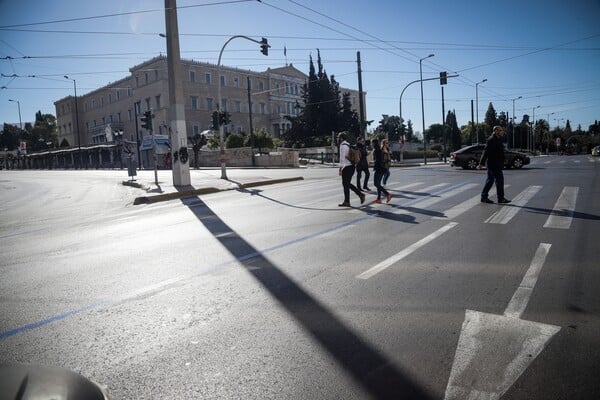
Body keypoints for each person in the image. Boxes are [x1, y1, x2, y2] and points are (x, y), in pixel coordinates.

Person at [478, 125, 511, 204]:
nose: (502, 132)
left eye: (502, 130)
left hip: (497, 163)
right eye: (500, 130)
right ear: (496, 131)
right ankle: (500, 198)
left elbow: (500, 151)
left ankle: (484, 196)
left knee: (490, 181)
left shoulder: (498, 139)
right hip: (493, 164)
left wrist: (504, 159)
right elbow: (486, 152)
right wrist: (481, 163)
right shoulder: (491, 140)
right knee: (499, 180)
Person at [338, 132, 366, 207]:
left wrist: (340, 168)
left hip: (346, 167)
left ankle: (359, 195)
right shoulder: (348, 144)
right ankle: (347, 201)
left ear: (341, 138)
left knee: (346, 184)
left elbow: (342, 158)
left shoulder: (342, 145)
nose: (338, 139)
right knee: (346, 184)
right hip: (352, 166)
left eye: (338, 138)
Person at [371, 138, 392, 204]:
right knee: (378, 184)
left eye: (372, 143)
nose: (371, 144)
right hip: (383, 168)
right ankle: (379, 198)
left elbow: (377, 160)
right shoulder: (379, 150)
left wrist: (373, 163)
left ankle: (387, 194)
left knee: (376, 184)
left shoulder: (376, 150)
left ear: (374, 144)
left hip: (379, 169)